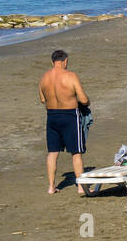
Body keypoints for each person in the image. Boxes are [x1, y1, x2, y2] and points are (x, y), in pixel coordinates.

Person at [38, 50, 91, 195]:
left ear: (52, 61)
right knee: (76, 152)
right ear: (65, 61)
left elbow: (43, 99)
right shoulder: (70, 76)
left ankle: (51, 186)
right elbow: (83, 99)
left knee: (52, 152)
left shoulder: (44, 78)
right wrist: (86, 103)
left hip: (52, 116)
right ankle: (81, 187)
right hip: (69, 115)